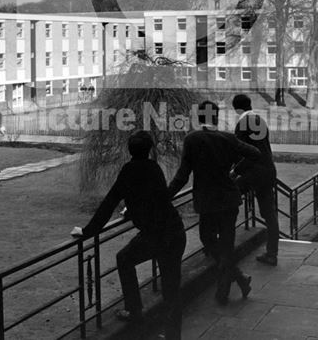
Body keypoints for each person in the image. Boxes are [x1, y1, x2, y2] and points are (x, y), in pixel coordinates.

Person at [71, 131, 186, 339]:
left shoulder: (129, 170)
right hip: (174, 231)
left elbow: (110, 203)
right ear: (149, 149)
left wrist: (88, 231)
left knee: (124, 259)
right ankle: (172, 335)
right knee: (171, 288)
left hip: (156, 235)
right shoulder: (154, 167)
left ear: (129, 150)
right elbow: (155, 197)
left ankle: (135, 311)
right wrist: (133, 210)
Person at [167, 100, 259, 305]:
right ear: (216, 117)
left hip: (208, 201)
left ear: (200, 117)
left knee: (208, 239)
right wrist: (236, 171)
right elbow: (255, 153)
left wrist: (165, 196)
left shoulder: (193, 139)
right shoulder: (228, 138)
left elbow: (182, 176)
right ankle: (233, 283)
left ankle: (230, 285)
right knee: (226, 245)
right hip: (229, 199)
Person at [230, 93, 280, 266]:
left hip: (253, 173)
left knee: (229, 198)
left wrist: (235, 170)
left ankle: (224, 244)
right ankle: (272, 253)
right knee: (269, 214)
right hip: (268, 171)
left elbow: (242, 152)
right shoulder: (260, 121)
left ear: (236, 108)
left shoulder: (242, 124)